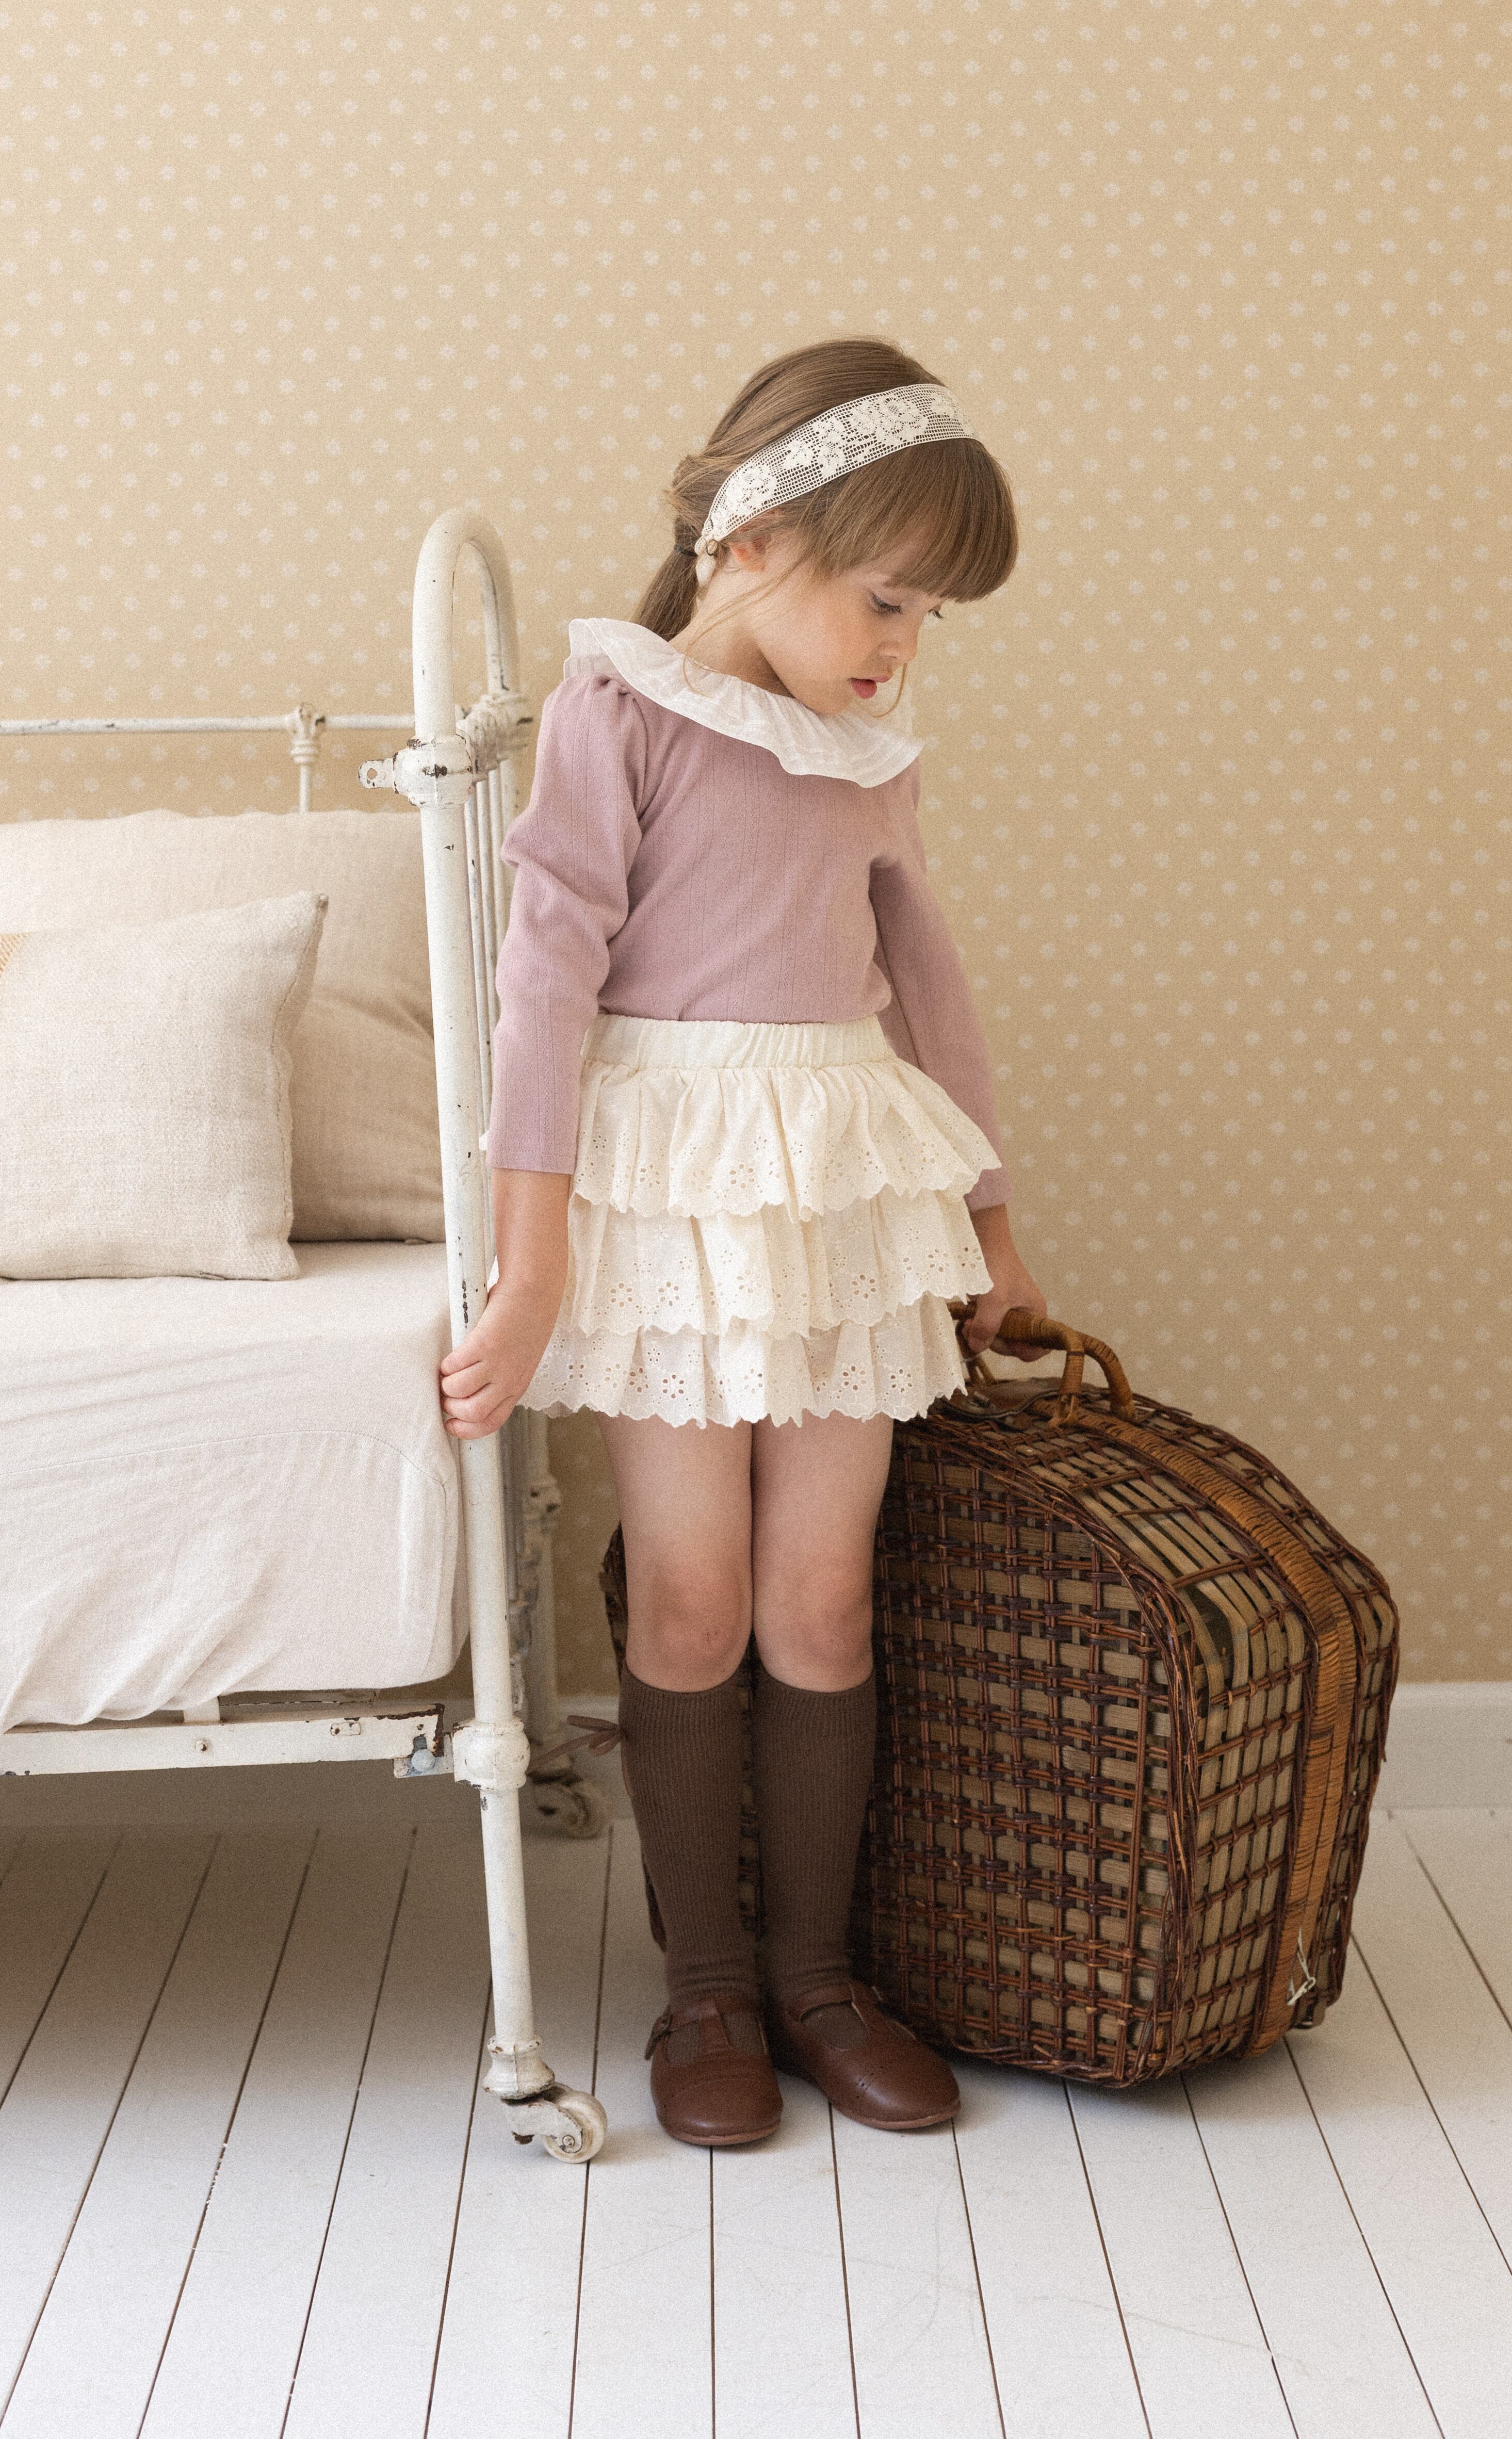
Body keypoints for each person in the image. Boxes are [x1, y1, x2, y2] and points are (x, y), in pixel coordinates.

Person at [438, 338, 1049, 2149]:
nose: (902, 645)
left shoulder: (867, 754)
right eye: (889, 598)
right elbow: (543, 996)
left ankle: (820, 1980)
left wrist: (997, 1232)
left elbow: (930, 990)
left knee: (824, 1599)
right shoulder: (611, 714)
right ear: (753, 541)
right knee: (693, 1601)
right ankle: (704, 1981)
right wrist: (532, 1269)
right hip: (670, 1200)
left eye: (930, 616)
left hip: (843, 1190)